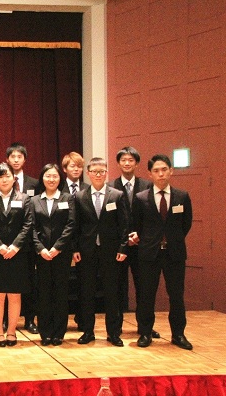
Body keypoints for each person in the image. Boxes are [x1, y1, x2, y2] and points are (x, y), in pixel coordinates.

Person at [131, 154, 193, 350]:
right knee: (147, 295)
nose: (161, 174)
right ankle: (145, 333)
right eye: (156, 171)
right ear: (150, 174)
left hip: (174, 253)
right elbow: (137, 224)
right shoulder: (141, 198)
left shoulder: (182, 196)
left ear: (171, 171)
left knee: (176, 295)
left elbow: (186, 224)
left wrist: (172, 239)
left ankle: (178, 334)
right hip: (149, 253)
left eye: (164, 170)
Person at [73, 157, 129, 347]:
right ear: (88, 173)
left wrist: (123, 247)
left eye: (102, 171)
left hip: (111, 251)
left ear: (106, 173)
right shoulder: (79, 196)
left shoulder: (117, 195)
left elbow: (124, 225)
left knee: (112, 293)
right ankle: (88, 331)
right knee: (86, 292)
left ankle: (113, 333)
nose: (98, 175)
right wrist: (74, 248)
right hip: (86, 251)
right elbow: (75, 226)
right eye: (94, 171)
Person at [111, 146, 159, 339]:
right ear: (118, 163)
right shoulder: (111, 186)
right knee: (118, 287)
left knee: (144, 288)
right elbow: (110, 220)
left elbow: (153, 216)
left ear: (137, 163)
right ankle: (116, 327)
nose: (127, 163)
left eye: (131, 160)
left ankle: (145, 327)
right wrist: (124, 239)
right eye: (123, 160)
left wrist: (139, 235)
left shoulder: (148, 186)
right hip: (119, 246)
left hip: (142, 245)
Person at [0, 162, 33, 347]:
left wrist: (15, 246)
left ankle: (11, 331)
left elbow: (28, 224)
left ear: (14, 178)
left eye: (7, 176)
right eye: (0, 176)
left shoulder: (24, 198)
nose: (4, 180)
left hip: (18, 253)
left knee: (14, 295)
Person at [31, 164, 75, 346]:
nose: (51, 179)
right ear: (42, 178)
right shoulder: (34, 200)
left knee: (60, 293)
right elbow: (31, 227)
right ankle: (45, 332)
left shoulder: (68, 198)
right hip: (41, 254)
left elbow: (71, 225)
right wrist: (40, 248)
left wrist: (58, 247)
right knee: (44, 293)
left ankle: (59, 332)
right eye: (48, 176)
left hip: (61, 254)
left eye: (54, 176)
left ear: (60, 179)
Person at [6, 142, 41, 335]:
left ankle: (29, 319)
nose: (16, 160)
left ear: (25, 160)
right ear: (7, 159)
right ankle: (6, 320)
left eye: (19, 157)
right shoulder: (1, 180)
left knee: (29, 281)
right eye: (13, 156)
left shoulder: (34, 184)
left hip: (28, 242)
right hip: (7, 242)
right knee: (6, 283)